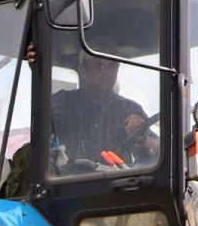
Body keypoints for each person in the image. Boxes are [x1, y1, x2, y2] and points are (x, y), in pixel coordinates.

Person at [50, 46, 155, 174]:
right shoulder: (63, 102)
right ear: (83, 69)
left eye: (112, 65)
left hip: (119, 186)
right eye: (99, 65)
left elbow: (154, 154)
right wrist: (38, 65)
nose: (107, 71)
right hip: (69, 185)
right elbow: (38, 130)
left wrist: (142, 136)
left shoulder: (131, 109)